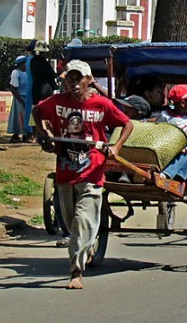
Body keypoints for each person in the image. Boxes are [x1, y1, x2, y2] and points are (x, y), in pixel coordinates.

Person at [33, 60, 133, 290]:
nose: (74, 83)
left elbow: (126, 124)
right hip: (65, 171)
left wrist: (116, 146)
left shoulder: (101, 104)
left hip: (93, 170)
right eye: (70, 78)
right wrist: (44, 132)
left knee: (81, 220)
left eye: (79, 79)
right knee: (69, 222)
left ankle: (75, 272)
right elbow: (36, 110)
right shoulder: (57, 102)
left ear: (89, 80)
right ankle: (84, 246)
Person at [25, 39, 58, 140]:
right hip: (45, 88)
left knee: (35, 110)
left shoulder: (32, 61)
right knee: (44, 111)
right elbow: (51, 74)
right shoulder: (43, 62)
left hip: (36, 88)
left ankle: (34, 135)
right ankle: (43, 133)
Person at [7, 55, 29, 142]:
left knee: (26, 117)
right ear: (21, 65)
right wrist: (21, 100)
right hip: (20, 98)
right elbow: (13, 88)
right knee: (19, 116)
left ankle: (26, 134)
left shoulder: (28, 73)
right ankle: (16, 134)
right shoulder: (15, 73)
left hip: (27, 98)